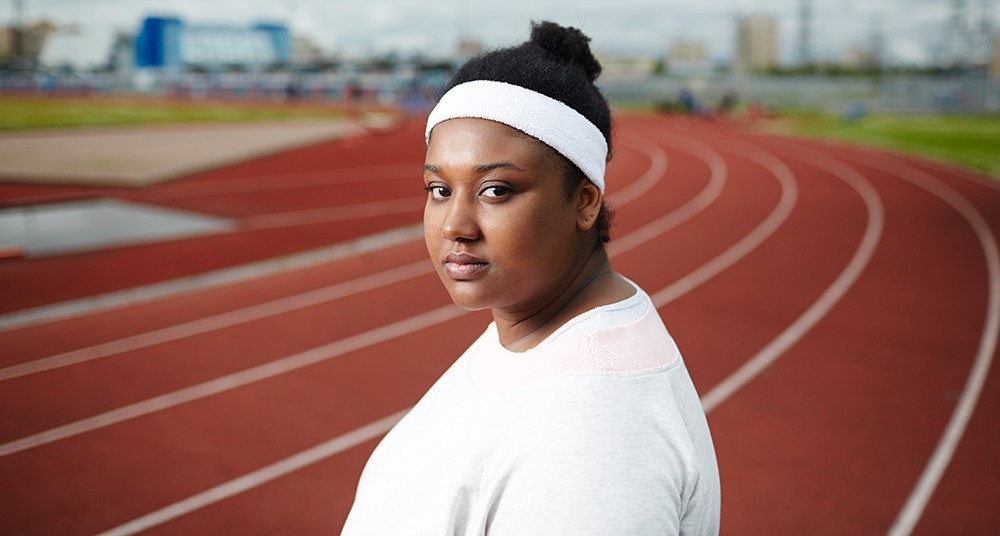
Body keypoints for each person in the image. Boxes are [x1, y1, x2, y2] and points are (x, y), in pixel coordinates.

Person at [342, 21, 720, 535]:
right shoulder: (535, 330)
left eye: (496, 190)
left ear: (584, 202)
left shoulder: (591, 431)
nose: (455, 225)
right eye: (438, 189)